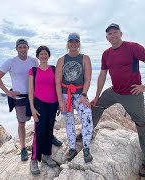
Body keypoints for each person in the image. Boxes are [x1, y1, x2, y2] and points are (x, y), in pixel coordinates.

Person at [90, 23, 145, 177]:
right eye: (110, 34)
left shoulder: (133, 47)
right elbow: (102, 75)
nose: (113, 36)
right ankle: (87, 133)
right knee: (95, 107)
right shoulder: (106, 54)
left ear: (121, 34)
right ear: (106, 37)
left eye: (115, 33)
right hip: (114, 91)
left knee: (141, 123)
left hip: (132, 94)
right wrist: (97, 96)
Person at [0, 39, 62, 162]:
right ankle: (23, 148)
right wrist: (8, 92)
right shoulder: (11, 62)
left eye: (24, 47)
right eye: (20, 47)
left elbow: (41, 74)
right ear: (16, 49)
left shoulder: (33, 61)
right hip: (20, 97)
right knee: (22, 123)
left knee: (43, 120)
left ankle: (49, 136)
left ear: (28, 48)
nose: (22, 49)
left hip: (36, 96)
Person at [55, 32, 93, 163]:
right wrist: (60, 100)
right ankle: (72, 148)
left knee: (87, 118)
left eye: (76, 42)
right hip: (66, 95)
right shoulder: (61, 60)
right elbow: (58, 82)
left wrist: (83, 95)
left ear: (79, 44)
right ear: (68, 44)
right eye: (71, 42)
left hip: (80, 94)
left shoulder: (84, 58)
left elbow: (88, 79)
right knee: (69, 122)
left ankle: (86, 147)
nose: (73, 44)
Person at [28, 45, 59, 175]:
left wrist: (59, 104)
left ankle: (46, 155)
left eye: (46, 54)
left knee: (49, 130)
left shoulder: (53, 69)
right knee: (39, 131)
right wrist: (32, 108)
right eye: (41, 54)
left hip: (53, 103)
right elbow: (30, 90)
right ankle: (34, 159)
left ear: (49, 55)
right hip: (39, 103)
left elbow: (57, 86)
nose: (44, 56)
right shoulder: (33, 70)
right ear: (38, 56)